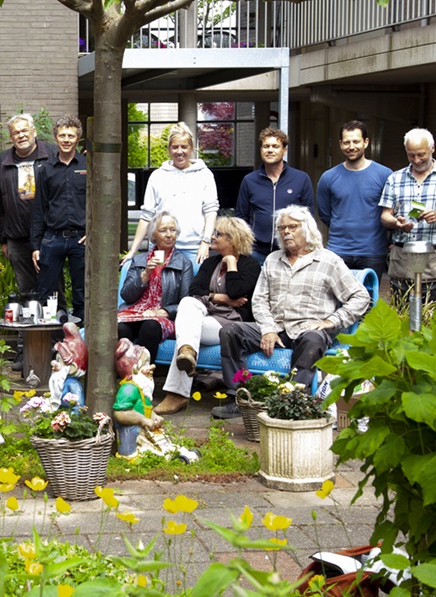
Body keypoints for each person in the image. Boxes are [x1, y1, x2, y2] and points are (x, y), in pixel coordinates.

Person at [212, 205, 370, 419]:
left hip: (309, 329)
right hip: (275, 327)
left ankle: (291, 401)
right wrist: (267, 329)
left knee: (313, 340)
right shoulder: (272, 259)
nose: (286, 231)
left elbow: (360, 297)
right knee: (230, 331)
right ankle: (240, 397)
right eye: (282, 227)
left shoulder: (328, 261)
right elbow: (259, 300)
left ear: (307, 229)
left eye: (292, 227)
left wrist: (332, 321)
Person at [154, 216, 261, 415]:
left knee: (187, 332)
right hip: (203, 315)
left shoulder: (251, 266)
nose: (212, 237)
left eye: (218, 234)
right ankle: (187, 351)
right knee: (187, 303)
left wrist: (231, 264)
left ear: (233, 239)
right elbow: (194, 291)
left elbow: (237, 290)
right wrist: (222, 298)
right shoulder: (210, 262)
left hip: (229, 324)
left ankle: (177, 394)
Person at [379, 128, 436, 304]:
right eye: (411, 155)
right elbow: (385, 216)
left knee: (434, 320)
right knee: (401, 316)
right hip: (402, 259)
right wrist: (396, 223)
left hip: (435, 259)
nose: (417, 160)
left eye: (421, 154)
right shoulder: (395, 178)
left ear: (432, 148)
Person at [122, 122, 219, 266]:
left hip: (194, 248)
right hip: (161, 248)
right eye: (175, 147)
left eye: (184, 147)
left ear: (191, 148)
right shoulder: (157, 176)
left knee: (192, 288)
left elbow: (211, 211)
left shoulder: (204, 175)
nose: (179, 152)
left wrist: (205, 242)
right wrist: (133, 250)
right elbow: (146, 216)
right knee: (160, 288)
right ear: (169, 149)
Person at [0, 113, 60, 300]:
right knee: (26, 290)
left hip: (49, 235)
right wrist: (4, 238)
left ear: (34, 131)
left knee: (53, 287)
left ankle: (56, 328)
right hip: (17, 236)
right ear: (11, 137)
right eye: (16, 132)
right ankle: (30, 328)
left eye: (24, 131)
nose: (21, 135)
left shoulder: (53, 154)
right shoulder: (2, 161)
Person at [317, 121, 394, 281]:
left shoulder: (385, 175)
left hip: (372, 251)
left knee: (369, 301)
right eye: (346, 142)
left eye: (356, 141)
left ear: (366, 142)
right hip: (338, 251)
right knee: (336, 301)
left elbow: (391, 210)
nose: (351, 146)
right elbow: (325, 214)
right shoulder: (328, 177)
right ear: (340, 144)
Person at [31, 115, 87, 322]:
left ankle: (80, 339)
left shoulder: (88, 166)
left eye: (70, 136)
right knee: (46, 291)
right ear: (55, 137)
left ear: (77, 138)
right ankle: (54, 340)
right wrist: (36, 245)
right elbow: (39, 208)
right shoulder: (46, 169)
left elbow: (97, 204)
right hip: (52, 238)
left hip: (80, 238)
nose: (66, 139)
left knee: (82, 291)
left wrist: (92, 233)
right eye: (62, 135)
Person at [118, 211, 193, 363]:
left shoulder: (184, 264)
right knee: (120, 329)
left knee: (150, 327)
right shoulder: (139, 260)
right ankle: (122, 374)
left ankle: (143, 374)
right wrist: (145, 274)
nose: (169, 235)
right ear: (153, 235)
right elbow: (126, 295)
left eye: (172, 230)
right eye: (163, 230)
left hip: (162, 318)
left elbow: (187, 302)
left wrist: (164, 311)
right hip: (134, 313)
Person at [235, 128, 314, 264]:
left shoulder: (301, 179)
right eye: (266, 146)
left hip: (290, 252)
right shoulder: (249, 181)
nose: (270, 150)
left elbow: (308, 217)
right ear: (261, 150)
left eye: (275, 146)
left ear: (284, 150)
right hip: (256, 253)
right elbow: (241, 217)